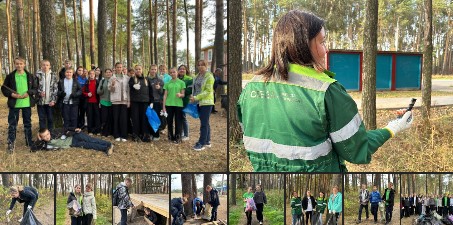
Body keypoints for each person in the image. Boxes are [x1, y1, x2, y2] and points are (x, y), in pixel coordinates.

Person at [237, 10, 414, 172]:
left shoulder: (251, 88)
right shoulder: (326, 91)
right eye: (321, 42)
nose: (326, 50)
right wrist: (393, 127)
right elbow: (356, 150)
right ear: (303, 45)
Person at [1, 57, 38, 153]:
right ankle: (11, 143)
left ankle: (29, 142)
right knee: (12, 124)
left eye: (21, 63)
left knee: (27, 124)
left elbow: (35, 88)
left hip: (26, 104)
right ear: (14, 64)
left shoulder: (30, 76)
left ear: (24, 64)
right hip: (14, 104)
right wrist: (12, 94)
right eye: (17, 64)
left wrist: (29, 93)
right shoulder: (10, 76)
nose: (19, 65)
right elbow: (4, 88)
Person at [31, 127, 113, 155]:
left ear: (49, 132)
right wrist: (38, 138)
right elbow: (33, 149)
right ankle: (106, 149)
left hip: (75, 136)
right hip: (73, 143)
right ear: (42, 138)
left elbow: (66, 128)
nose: (47, 137)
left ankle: (109, 144)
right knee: (88, 145)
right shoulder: (44, 144)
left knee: (91, 140)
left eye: (47, 134)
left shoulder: (55, 131)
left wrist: (74, 129)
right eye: (44, 136)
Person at [190, 60, 215, 151]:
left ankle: (201, 143)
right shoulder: (197, 76)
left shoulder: (209, 76)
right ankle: (207, 141)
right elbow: (195, 88)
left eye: (202, 65)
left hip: (206, 102)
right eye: (199, 65)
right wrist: (193, 97)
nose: (200, 67)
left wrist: (196, 97)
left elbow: (208, 91)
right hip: (198, 102)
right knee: (205, 122)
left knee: (204, 123)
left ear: (206, 66)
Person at [129, 65, 152, 142]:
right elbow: (130, 86)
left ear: (142, 70)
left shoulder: (146, 79)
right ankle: (136, 135)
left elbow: (150, 91)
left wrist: (151, 101)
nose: (138, 70)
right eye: (136, 69)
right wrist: (133, 86)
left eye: (139, 69)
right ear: (134, 71)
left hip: (145, 102)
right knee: (135, 118)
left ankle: (145, 134)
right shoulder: (132, 79)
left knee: (144, 118)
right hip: (135, 102)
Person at [58, 67, 82, 139]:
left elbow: (80, 90)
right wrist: (61, 93)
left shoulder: (75, 81)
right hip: (65, 103)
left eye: (70, 72)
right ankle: (65, 133)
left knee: (74, 118)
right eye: (67, 72)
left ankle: (73, 133)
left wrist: (75, 94)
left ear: (73, 73)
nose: (69, 74)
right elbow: (57, 91)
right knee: (66, 118)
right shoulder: (61, 81)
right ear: (65, 73)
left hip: (74, 103)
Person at [163, 67, 186, 143]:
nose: (172, 73)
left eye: (174, 72)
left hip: (178, 105)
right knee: (169, 122)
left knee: (178, 122)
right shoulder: (167, 83)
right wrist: (164, 107)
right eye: (171, 72)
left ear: (177, 72)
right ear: (169, 74)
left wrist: (180, 95)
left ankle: (178, 138)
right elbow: (165, 95)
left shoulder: (182, 83)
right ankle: (170, 137)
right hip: (169, 105)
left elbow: (183, 94)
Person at [36, 59, 58, 133]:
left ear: (50, 66)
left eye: (47, 65)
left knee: (50, 119)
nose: (45, 66)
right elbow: (34, 87)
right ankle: (43, 135)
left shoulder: (53, 75)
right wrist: (39, 93)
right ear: (41, 66)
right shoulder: (37, 75)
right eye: (44, 65)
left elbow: (56, 89)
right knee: (42, 119)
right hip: (40, 102)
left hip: (50, 102)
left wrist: (53, 100)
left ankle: (51, 134)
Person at [110, 62, 130, 142]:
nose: (119, 68)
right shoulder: (112, 78)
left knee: (124, 119)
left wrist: (128, 101)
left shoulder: (127, 78)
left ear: (122, 68)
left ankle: (124, 135)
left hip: (124, 101)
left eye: (120, 67)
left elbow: (128, 90)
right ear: (115, 68)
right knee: (116, 118)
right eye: (118, 67)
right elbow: (110, 90)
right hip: (115, 101)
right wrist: (113, 84)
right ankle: (116, 135)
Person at [149, 65, 165, 140]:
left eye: (155, 69)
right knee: (149, 118)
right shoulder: (147, 79)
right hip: (149, 102)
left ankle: (156, 135)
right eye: (152, 69)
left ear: (156, 70)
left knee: (156, 118)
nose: (153, 71)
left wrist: (159, 88)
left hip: (157, 102)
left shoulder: (160, 80)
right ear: (149, 70)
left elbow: (163, 92)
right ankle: (150, 133)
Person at [177, 65, 193, 141]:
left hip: (184, 100)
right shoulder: (176, 78)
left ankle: (186, 134)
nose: (182, 70)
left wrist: (181, 92)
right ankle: (181, 132)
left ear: (186, 70)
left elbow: (190, 90)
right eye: (180, 69)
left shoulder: (189, 79)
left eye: (183, 69)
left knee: (183, 117)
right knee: (178, 117)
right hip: (176, 101)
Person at [83, 70, 101, 135]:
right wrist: (87, 94)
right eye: (90, 73)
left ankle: (97, 130)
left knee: (97, 116)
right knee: (90, 116)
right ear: (88, 75)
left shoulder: (98, 82)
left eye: (93, 73)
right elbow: (83, 92)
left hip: (96, 102)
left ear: (95, 74)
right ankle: (90, 131)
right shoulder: (86, 82)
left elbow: (100, 92)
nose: (91, 75)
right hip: (89, 102)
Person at [97, 69, 113, 137]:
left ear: (111, 73)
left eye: (109, 72)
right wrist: (101, 89)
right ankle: (104, 132)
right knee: (104, 117)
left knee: (110, 117)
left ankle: (110, 132)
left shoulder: (113, 80)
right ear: (105, 74)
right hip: (103, 101)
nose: (108, 73)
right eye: (107, 72)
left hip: (112, 102)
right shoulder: (102, 81)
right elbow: (98, 92)